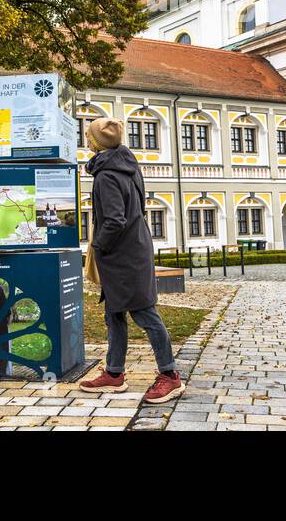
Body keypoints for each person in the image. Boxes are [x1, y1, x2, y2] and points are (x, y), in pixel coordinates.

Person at [78, 118, 185, 404]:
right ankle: (114, 373)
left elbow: (113, 221)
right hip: (132, 249)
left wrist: (98, 246)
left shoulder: (106, 175)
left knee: (145, 314)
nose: (87, 140)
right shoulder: (127, 165)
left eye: (89, 136)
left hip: (123, 256)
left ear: (98, 142)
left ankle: (170, 376)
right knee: (114, 313)